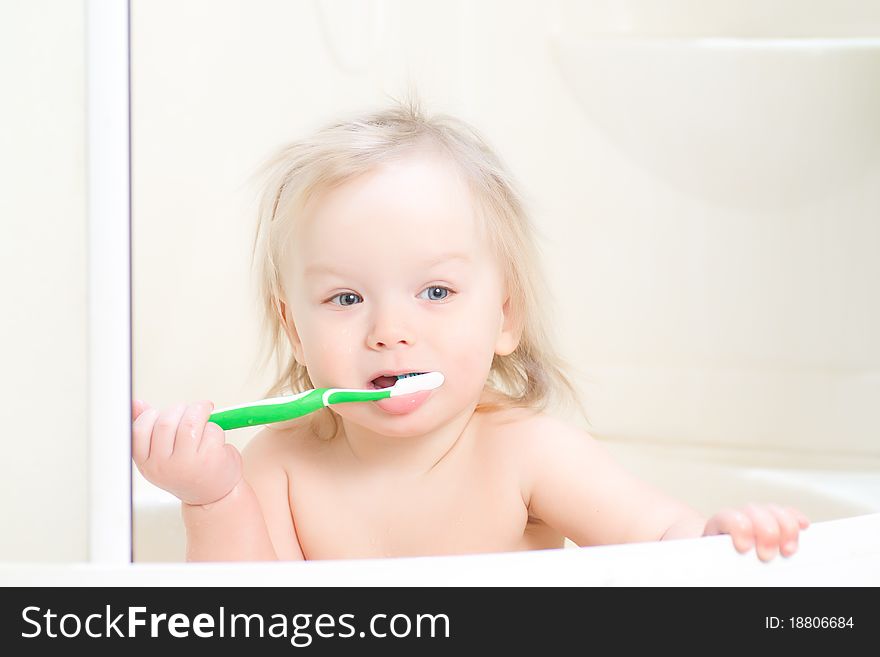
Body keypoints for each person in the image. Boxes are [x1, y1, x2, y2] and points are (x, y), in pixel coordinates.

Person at [131, 97, 809, 562]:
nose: (390, 330)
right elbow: (244, 617)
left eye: (435, 291)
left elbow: (660, 538)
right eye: (344, 297)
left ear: (505, 316)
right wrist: (214, 496)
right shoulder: (278, 467)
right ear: (294, 326)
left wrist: (718, 541)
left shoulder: (528, 454)